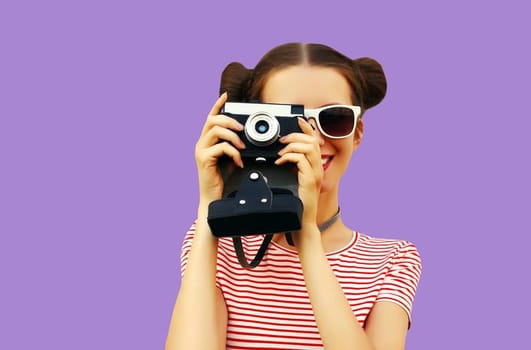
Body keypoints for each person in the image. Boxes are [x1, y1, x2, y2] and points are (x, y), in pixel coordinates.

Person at [165, 43, 422, 350]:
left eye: (334, 119)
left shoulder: (392, 260)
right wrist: (211, 203)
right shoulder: (214, 245)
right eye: (288, 120)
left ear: (357, 133)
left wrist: (306, 231)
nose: (311, 140)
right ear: (250, 128)